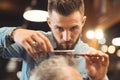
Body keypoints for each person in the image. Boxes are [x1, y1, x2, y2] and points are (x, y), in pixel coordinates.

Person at [0, 0, 109, 80]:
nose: (66, 37)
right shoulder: (33, 42)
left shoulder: (91, 60)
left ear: (83, 22)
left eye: (73, 28)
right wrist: (14, 33)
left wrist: (99, 79)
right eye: (59, 28)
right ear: (49, 22)